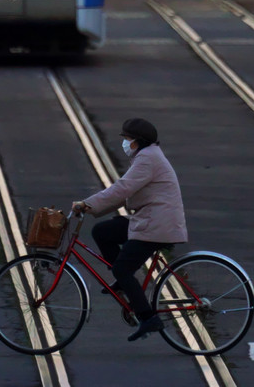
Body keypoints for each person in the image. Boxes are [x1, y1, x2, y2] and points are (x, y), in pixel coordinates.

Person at [71, 118, 188, 342]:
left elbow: (122, 188)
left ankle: (147, 317)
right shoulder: (147, 156)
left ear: (137, 142)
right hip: (150, 220)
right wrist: (91, 206)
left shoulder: (147, 159)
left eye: (127, 139)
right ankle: (125, 285)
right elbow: (124, 193)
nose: (125, 143)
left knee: (122, 270)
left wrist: (87, 204)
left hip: (156, 225)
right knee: (102, 231)